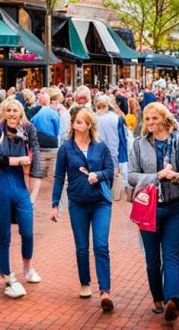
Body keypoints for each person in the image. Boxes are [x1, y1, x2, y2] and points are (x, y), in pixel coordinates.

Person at [128, 102, 179, 321]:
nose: (149, 123)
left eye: (154, 118)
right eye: (147, 119)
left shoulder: (178, 141)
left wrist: (173, 175)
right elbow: (131, 176)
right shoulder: (138, 144)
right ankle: (157, 297)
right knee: (151, 258)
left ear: (164, 119)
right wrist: (156, 176)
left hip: (176, 207)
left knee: (171, 254)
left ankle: (172, 300)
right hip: (149, 207)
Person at [50, 108, 114, 312]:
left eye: (79, 122)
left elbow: (110, 171)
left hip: (100, 203)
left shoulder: (100, 147)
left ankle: (105, 291)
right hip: (77, 203)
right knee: (81, 247)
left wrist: (98, 175)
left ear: (88, 125)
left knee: (101, 245)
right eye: (74, 122)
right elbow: (59, 177)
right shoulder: (66, 149)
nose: (75, 125)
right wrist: (54, 205)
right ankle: (85, 283)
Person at [0, 98, 45, 298]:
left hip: (20, 188)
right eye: (9, 110)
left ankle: (27, 268)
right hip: (1, 187)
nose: (12, 114)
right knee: (4, 236)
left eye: (16, 111)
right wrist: (14, 160)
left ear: (21, 114)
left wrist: (33, 196)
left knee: (28, 232)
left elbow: (37, 161)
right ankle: (6, 276)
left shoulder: (28, 131)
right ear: (3, 113)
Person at [95, 96, 128, 199]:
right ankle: (113, 195)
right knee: (114, 174)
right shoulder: (116, 118)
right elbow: (122, 139)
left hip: (97, 152)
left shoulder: (93, 117)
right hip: (113, 151)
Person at [31, 91, 61, 206]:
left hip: (40, 145)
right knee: (54, 173)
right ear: (48, 102)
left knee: (39, 174)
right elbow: (57, 129)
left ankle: (33, 198)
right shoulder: (53, 113)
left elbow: (31, 126)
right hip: (52, 144)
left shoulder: (37, 114)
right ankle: (55, 199)